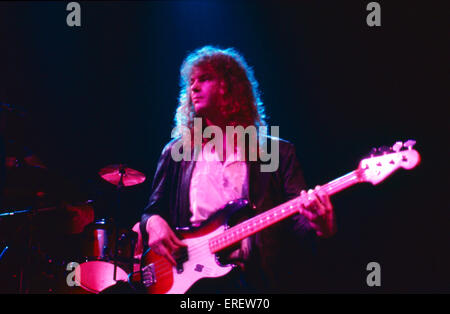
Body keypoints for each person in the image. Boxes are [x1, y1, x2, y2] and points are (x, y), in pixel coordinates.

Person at [139, 46, 337, 293]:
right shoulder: (177, 153)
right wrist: (152, 223)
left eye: (205, 78)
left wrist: (320, 226)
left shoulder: (275, 152)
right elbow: (152, 211)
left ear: (229, 87)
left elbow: (297, 218)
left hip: (255, 282)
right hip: (193, 284)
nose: (194, 87)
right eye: (191, 82)